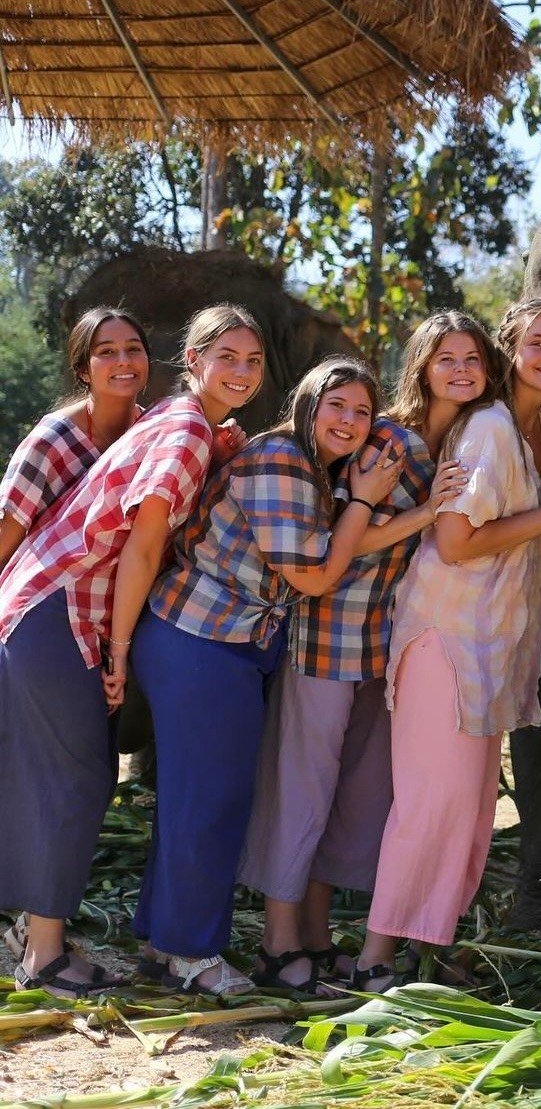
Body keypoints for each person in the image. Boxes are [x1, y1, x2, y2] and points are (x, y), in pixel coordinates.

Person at [0, 303, 262, 996]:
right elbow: (144, 547)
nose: (239, 371)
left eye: (253, 361)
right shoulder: (166, 435)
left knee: (73, 776)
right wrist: (119, 652)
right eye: (225, 357)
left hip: (73, 615)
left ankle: (36, 929)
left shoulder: (175, 422)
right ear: (194, 360)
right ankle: (44, 955)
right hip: (56, 612)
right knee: (80, 779)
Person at [350, 297, 541, 990]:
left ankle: (424, 952)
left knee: (465, 814)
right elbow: (455, 542)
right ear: (510, 351)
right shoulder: (491, 430)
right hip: (444, 640)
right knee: (431, 806)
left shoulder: (538, 428)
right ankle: (374, 959)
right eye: (538, 344)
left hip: (486, 646)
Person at [130, 356, 400, 996]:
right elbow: (315, 574)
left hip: (227, 643)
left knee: (196, 798)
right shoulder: (281, 460)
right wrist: (364, 499)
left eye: (363, 412)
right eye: (337, 405)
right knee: (211, 802)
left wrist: (392, 512)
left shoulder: (309, 469)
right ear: (308, 404)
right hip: (200, 640)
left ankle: (161, 942)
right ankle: (192, 954)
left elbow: (337, 544)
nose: (351, 421)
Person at [237, 313, 489, 992]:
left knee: (351, 799)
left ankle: (316, 941)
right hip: (323, 634)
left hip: (381, 646)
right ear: (423, 366)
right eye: (446, 359)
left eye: (472, 359)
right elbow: (337, 538)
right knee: (303, 792)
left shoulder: (461, 445)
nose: (460, 371)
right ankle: (277, 946)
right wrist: (422, 514)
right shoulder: (390, 440)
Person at [0, 308, 152, 573]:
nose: (124, 360)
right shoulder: (51, 442)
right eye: (106, 352)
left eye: (134, 349)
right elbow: (7, 533)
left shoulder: (154, 432)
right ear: (83, 370)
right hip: (44, 597)